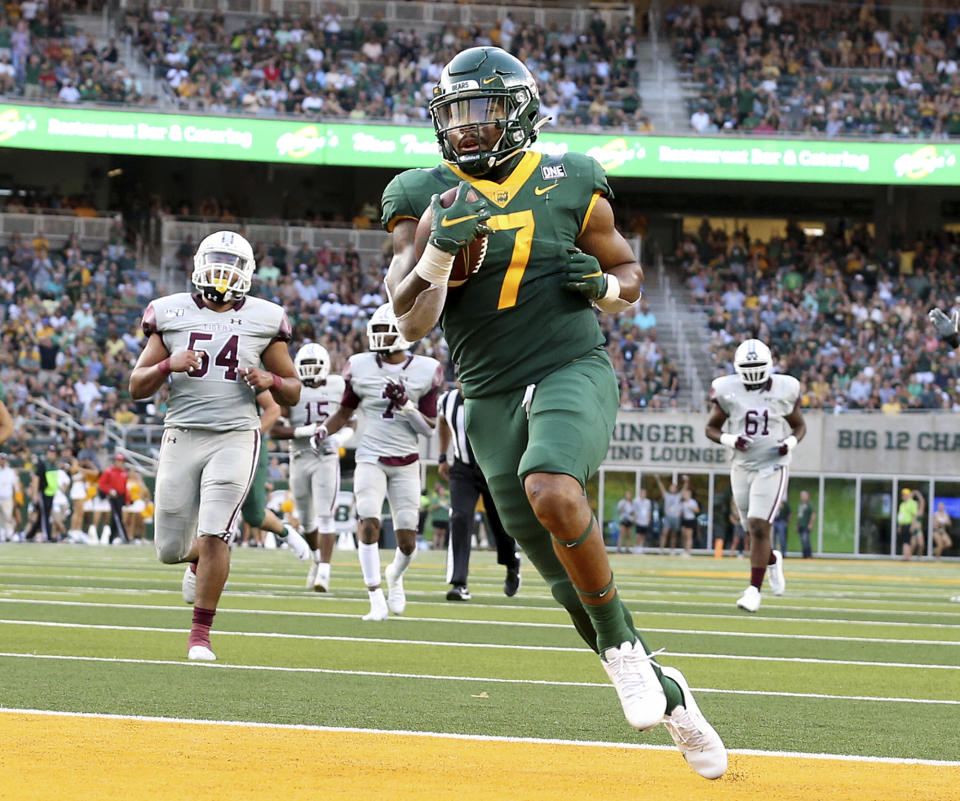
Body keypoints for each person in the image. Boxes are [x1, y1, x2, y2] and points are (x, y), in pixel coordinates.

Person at [380, 46, 726, 779]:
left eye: (484, 111)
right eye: (457, 113)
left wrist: (601, 286)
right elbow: (408, 321)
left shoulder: (572, 180)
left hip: (571, 366)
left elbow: (630, 278)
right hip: (488, 393)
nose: (469, 129)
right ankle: (667, 691)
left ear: (521, 113)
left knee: (553, 488)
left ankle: (626, 657)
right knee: (561, 577)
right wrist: (439, 257)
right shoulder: (423, 192)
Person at [129, 230, 300, 661]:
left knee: (215, 531)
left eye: (232, 263)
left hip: (236, 436)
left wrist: (271, 380)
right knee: (168, 547)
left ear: (248, 273)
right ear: (198, 264)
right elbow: (136, 386)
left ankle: (200, 635)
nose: (222, 272)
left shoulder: (265, 318)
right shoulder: (169, 312)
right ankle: (195, 561)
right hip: (181, 433)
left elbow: (293, 390)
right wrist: (169, 363)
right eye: (215, 261)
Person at [312, 303, 442, 621]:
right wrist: (323, 429)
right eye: (377, 331)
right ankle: (374, 597)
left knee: (408, 542)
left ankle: (394, 576)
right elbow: (344, 412)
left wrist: (407, 406)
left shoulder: (426, 369)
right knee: (368, 521)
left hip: (408, 460)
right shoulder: (360, 366)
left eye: (386, 331)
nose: (379, 338)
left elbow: (429, 428)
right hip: (370, 456)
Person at [705, 338, 806, 613]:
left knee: (760, 525)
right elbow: (711, 428)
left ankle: (753, 591)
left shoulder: (785, 388)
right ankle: (771, 560)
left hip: (772, 465)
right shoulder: (728, 389)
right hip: (741, 465)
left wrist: (789, 444)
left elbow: (799, 426)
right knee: (752, 530)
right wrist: (730, 439)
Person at [270, 343, 354, 592]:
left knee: (326, 515)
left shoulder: (337, 385)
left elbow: (352, 420)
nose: (308, 371)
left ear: (325, 366)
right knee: (307, 521)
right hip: (299, 457)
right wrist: (308, 431)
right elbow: (276, 429)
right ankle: (317, 562)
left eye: (313, 365)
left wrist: (338, 438)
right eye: (304, 366)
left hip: (326, 455)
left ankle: (325, 573)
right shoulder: (292, 388)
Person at [437, 380, 521, 601]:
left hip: (492, 466)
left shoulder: (494, 395)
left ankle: (511, 563)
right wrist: (443, 456)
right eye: (461, 375)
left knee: (501, 523)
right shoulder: (447, 400)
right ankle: (459, 583)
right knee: (459, 516)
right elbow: (443, 422)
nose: (465, 380)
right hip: (462, 469)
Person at [239, 389, 312, 566]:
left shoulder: (247, 364)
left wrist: (248, 440)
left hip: (245, 442)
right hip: (202, 439)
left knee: (254, 515)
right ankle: (204, 570)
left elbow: (273, 408)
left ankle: (285, 531)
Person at [25, 445, 60, 542]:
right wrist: (35, 494)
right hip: (43, 492)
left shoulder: (55, 465)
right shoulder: (42, 464)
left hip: (51, 493)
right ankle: (47, 536)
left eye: (53, 453)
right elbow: (36, 479)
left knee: (43, 515)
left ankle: (29, 535)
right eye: (50, 452)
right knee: (45, 515)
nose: (51, 455)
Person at [97, 453, 130, 543]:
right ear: (115, 461)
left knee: (116, 518)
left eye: (121, 461)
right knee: (117, 517)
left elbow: (125, 487)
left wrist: (127, 499)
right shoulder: (109, 471)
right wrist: (109, 491)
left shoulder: (124, 473)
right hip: (112, 497)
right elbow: (101, 484)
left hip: (121, 497)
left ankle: (111, 539)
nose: (120, 463)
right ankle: (125, 538)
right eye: (118, 461)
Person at [655, 475, 683, 555]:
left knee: (674, 535)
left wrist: (686, 481)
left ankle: (672, 550)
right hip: (668, 517)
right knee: (665, 533)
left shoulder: (678, 496)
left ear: (676, 489)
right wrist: (658, 479)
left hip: (676, 518)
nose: (672, 488)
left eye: (674, 487)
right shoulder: (667, 495)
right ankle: (661, 550)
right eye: (671, 487)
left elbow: (684, 488)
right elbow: (661, 488)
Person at [0, 452, 21, 542]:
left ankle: (9, 534)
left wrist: (15, 498)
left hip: (7, 498)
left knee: (8, 516)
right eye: (1, 459)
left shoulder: (10, 472)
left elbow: (15, 486)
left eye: (3, 459)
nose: (2, 461)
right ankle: (2, 534)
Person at [897, 488, 921, 560]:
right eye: (903, 495)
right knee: (905, 542)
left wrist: (913, 525)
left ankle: (907, 557)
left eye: (905, 495)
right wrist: (900, 526)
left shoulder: (912, 503)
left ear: (908, 495)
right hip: (903, 525)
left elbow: (915, 515)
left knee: (908, 541)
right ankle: (906, 556)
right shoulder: (902, 504)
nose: (903, 496)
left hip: (909, 524)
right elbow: (901, 516)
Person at [679, 485, 699, 557]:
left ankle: (688, 552)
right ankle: (685, 550)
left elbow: (697, 510)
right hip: (684, 520)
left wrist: (691, 508)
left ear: (689, 495)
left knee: (689, 536)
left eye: (686, 494)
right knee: (684, 536)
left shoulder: (692, 502)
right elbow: (680, 513)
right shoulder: (683, 503)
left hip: (691, 520)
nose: (684, 495)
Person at [795, 490, 815, 559]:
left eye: (804, 495)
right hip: (801, 525)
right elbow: (799, 516)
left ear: (808, 496)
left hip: (806, 525)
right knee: (802, 541)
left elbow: (813, 514)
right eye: (802, 495)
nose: (802, 497)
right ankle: (804, 556)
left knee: (806, 540)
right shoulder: (800, 505)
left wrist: (811, 524)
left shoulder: (809, 504)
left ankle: (809, 555)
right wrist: (796, 525)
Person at [615, 489, 636, 553]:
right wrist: (623, 507)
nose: (628, 496)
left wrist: (633, 516)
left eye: (629, 494)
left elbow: (633, 513)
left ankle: (627, 549)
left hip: (629, 520)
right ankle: (619, 549)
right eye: (627, 494)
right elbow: (619, 511)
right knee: (621, 534)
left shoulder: (632, 503)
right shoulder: (622, 502)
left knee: (628, 535)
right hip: (623, 520)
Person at [633, 487, 652, 555]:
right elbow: (634, 511)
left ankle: (641, 548)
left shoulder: (648, 502)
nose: (643, 494)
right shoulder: (636, 501)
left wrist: (649, 519)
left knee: (643, 535)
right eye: (642, 493)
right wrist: (635, 519)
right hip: (639, 520)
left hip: (645, 521)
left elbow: (649, 510)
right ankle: (635, 548)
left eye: (644, 493)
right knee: (638, 535)